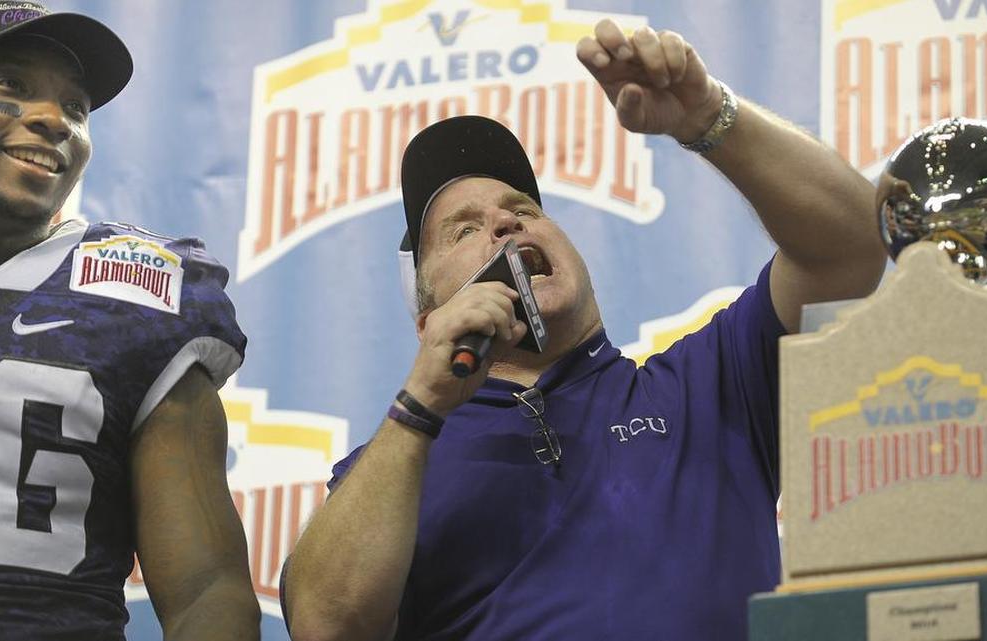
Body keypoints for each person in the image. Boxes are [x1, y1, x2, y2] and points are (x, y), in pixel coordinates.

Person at [283, 18, 885, 641]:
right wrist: (418, 409)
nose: (505, 226)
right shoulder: (395, 465)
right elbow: (326, 625)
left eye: (524, 210)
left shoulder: (710, 385)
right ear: (426, 321)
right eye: (463, 230)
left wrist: (708, 117)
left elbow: (852, 246)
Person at [0, 3, 259, 639]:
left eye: (76, 108)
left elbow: (205, 588)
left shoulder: (136, 290)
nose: (54, 120)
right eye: (12, 87)